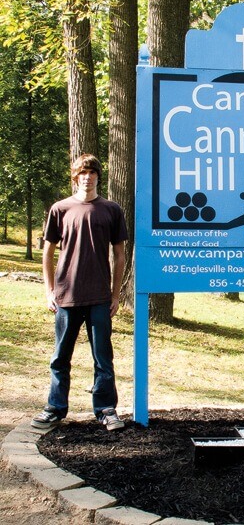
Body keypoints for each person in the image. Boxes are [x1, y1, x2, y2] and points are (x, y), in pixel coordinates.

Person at [31, 154, 128, 431]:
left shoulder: (111, 210)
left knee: (103, 358)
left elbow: (120, 255)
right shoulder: (59, 209)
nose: (87, 177)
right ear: (75, 177)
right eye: (82, 172)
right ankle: (55, 407)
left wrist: (116, 294)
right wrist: (49, 290)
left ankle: (106, 410)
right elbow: (47, 252)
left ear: (98, 176)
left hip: (99, 297)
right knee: (60, 357)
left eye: (92, 172)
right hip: (66, 296)